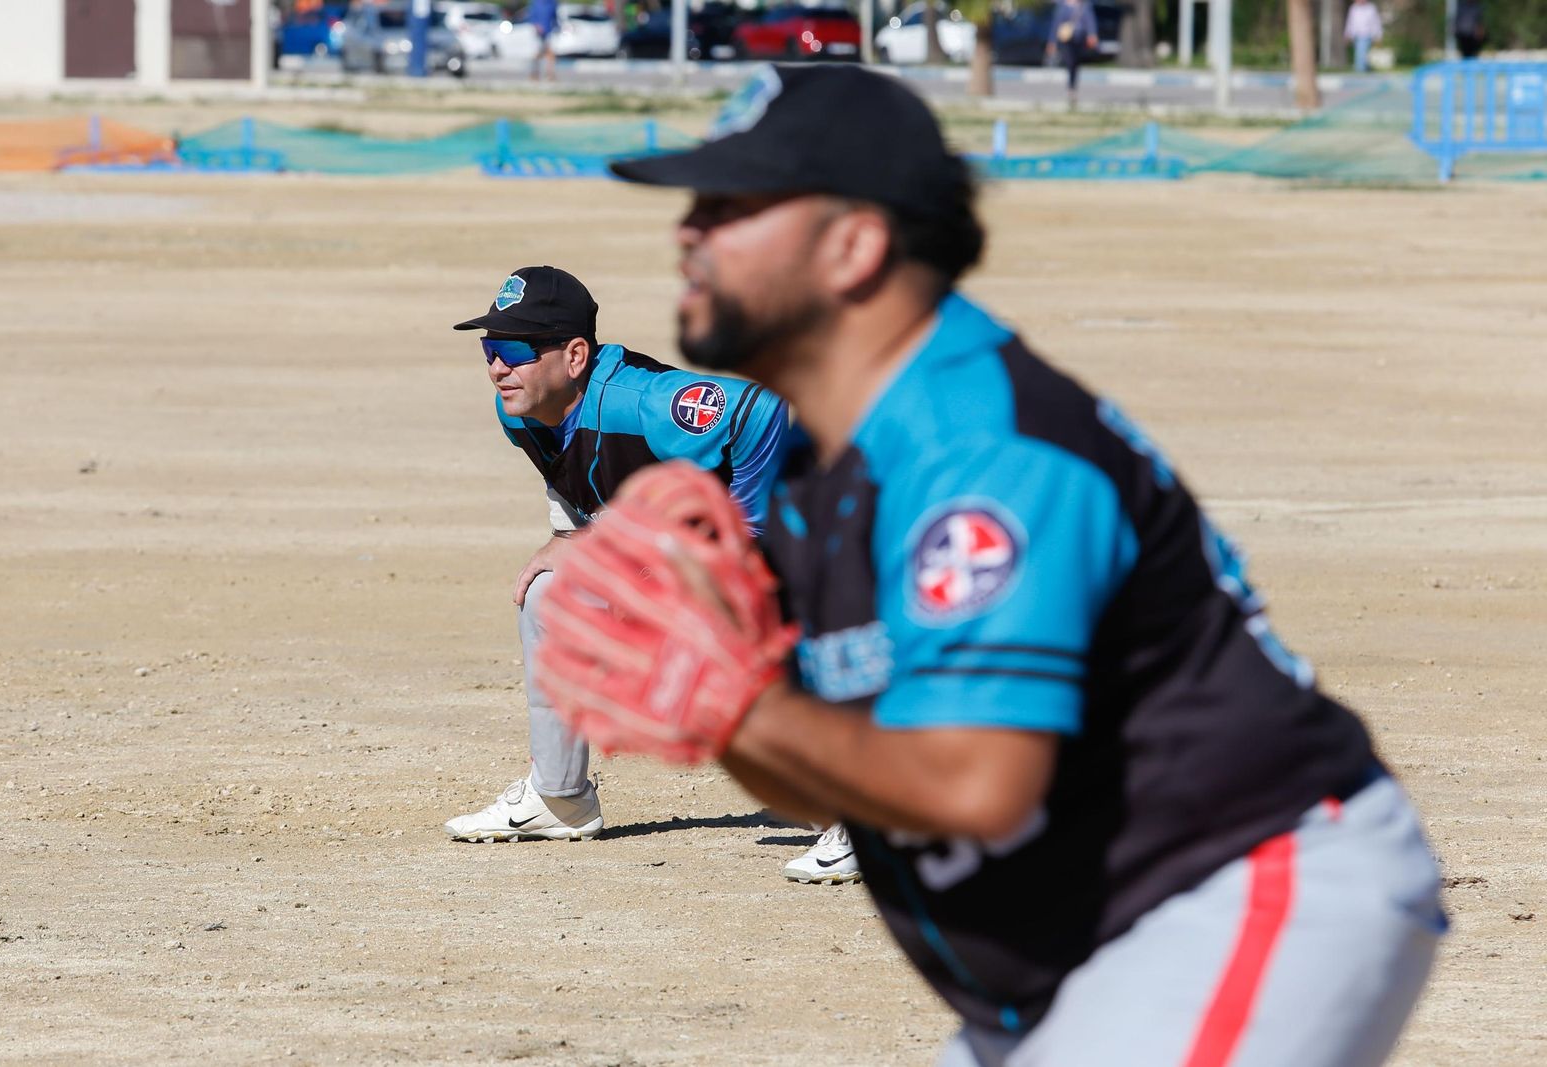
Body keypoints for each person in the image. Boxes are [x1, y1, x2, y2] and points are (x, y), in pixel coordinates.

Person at [542, 65, 1446, 1064]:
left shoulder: (979, 454)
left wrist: (739, 704)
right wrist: (730, 693)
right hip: (1096, 942)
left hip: (1240, 887)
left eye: (731, 205)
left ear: (854, 245)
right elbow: (819, 778)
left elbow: (978, 782)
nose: (687, 231)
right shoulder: (819, 465)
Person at [442, 266, 856, 884]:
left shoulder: (647, 403)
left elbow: (763, 413)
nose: (499, 367)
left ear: (575, 355)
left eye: (516, 350)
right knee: (552, 596)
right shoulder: (522, 412)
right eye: (490, 349)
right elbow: (572, 475)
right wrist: (570, 536)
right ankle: (560, 798)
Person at [1045, 0, 1097, 109]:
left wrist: (1092, 34)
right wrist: (1052, 41)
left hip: (1079, 39)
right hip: (1066, 39)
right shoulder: (1062, 6)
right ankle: (1071, 88)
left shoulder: (1084, 5)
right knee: (1070, 62)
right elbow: (1056, 24)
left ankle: (1073, 87)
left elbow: (1090, 21)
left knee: (1076, 64)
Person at [1344, 0, 1383, 73]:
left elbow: (1376, 22)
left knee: (1361, 52)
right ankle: (1366, 67)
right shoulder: (1353, 8)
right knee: (1360, 53)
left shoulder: (1371, 8)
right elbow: (1350, 22)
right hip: (1356, 35)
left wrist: (1378, 35)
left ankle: (1360, 70)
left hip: (1367, 34)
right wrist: (1347, 34)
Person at [528, 0, 559, 81]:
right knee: (538, 53)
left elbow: (555, 17)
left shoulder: (552, 3)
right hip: (538, 33)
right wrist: (536, 26)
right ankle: (535, 73)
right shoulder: (536, 3)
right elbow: (532, 17)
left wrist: (557, 27)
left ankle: (550, 74)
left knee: (550, 54)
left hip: (549, 32)